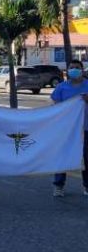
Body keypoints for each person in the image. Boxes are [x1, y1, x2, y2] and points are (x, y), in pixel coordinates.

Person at [51, 59, 88, 197]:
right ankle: (58, 185)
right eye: (71, 68)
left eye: (77, 67)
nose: (74, 70)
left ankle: (87, 186)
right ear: (67, 70)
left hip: (86, 128)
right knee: (63, 157)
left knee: (87, 158)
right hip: (66, 130)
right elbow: (56, 107)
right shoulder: (61, 87)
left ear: (82, 70)